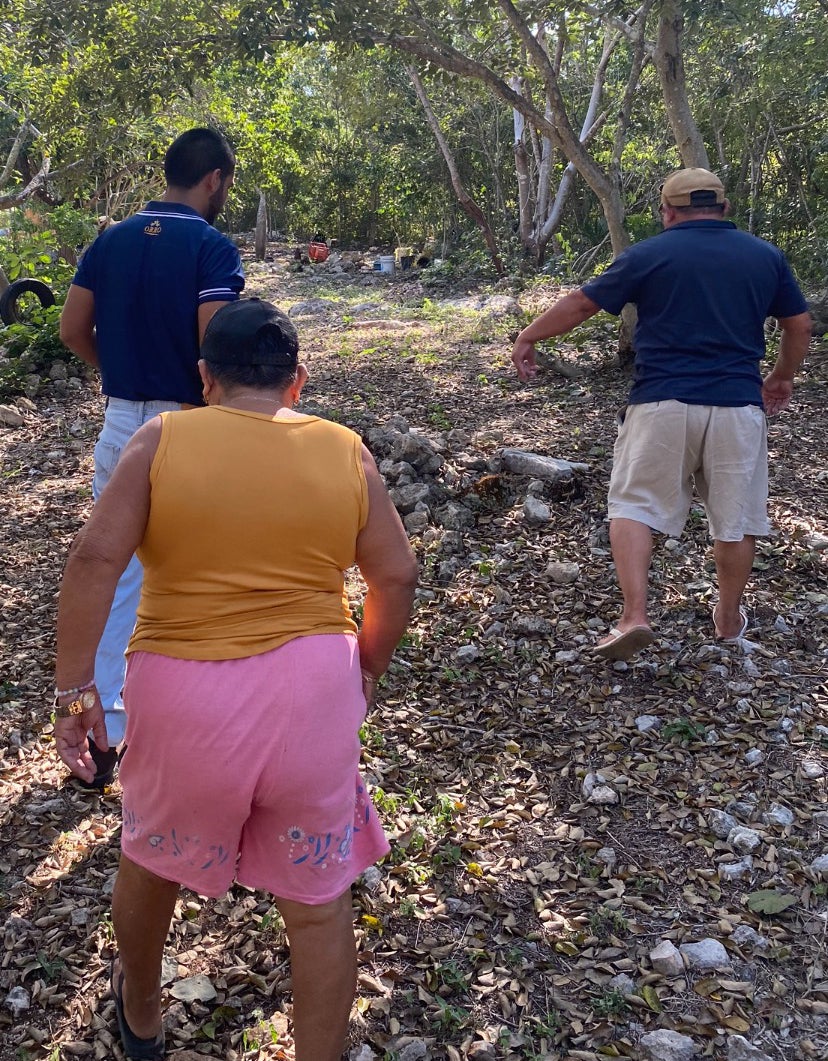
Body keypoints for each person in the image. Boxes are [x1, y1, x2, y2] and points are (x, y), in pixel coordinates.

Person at [53, 298, 418, 1061]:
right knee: (318, 908)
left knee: (152, 860)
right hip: (314, 692)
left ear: (204, 378)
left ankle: (144, 1014)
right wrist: (367, 666)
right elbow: (396, 572)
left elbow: (93, 561)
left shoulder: (161, 439)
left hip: (186, 692)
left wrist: (75, 692)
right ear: (298, 381)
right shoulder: (345, 449)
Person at [512, 167, 812, 661]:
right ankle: (729, 618)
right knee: (734, 519)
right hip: (737, 405)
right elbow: (797, 326)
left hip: (661, 402)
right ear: (724, 209)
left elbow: (582, 304)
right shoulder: (765, 256)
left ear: (667, 212)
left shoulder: (650, 253)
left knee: (631, 506)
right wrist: (781, 376)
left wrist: (530, 337)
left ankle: (634, 616)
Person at [59, 127, 245, 785]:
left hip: (119, 424)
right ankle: (191, 729)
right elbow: (214, 347)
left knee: (118, 574)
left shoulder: (107, 241)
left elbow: (71, 328)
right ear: (216, 179)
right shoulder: (210, 247)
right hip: (184, 424)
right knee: (195, 575)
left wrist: (119, 371)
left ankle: (106, 732)